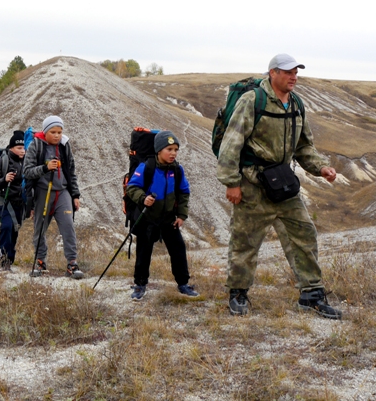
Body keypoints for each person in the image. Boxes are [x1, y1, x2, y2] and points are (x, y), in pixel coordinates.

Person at [216, 54, 342, 319]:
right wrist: (232, 183)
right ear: (272, 73)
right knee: (244, 241)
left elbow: (304, 147)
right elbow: (231, 142)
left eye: (296, 72)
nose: (293, 76)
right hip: (251, 184)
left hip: (283, 185)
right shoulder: (252, 101)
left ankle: (312, 295)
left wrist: (321, 167)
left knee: (304, 234)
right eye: (287, 72)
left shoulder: (296, 104)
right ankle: (238, 293)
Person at [125, 130, 199, 301]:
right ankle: (140, 284)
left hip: (168, 219)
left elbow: (183, 193)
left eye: (175, 149)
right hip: (147, 219)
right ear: (159, 150)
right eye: (169, 149)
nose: (173, 153)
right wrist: (143, 198)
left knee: (178, 250)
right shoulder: (146, 167)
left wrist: (181, 215)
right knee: (144, 252)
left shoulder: (177, 170)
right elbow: (132, 188)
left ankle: (183, 284)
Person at [24, 115, 83, 279]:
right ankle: (40, 262)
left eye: (59, 131)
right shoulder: (36, 145)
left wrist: (75, 195)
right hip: (43, 192)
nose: (57, 135)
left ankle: (72, 263)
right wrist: (45, 167)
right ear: (45, 132)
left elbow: (71, 171)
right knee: (40, 229)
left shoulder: (65, 145)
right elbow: (27, 171)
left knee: (68, 227)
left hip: (63, 192)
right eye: (53, 132)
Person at [0, 130, 29, 271]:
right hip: (5, 202)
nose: (22, 150)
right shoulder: (2, 161)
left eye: (23, 147)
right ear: (11, 148)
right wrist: (4, 180)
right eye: (18, 148)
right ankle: (3, 260)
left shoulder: (28, 161)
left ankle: (9, 260)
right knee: (6, 228)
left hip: (21, 204)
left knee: (14, 231)